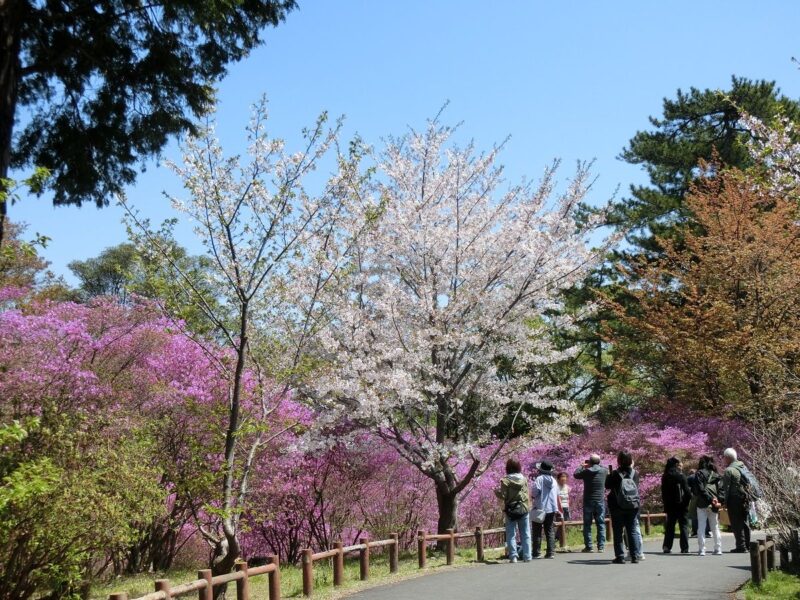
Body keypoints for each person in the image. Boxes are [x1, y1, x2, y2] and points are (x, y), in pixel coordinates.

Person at [606, 450, 642, 564]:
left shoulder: (615, 473)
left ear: (619, 461)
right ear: (631, 460)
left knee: (618, 531)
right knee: (631, 530)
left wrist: (609, 474)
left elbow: (607, 486)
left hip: (617, 506)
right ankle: (635, 555)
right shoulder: (635, 473)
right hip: (632, 506)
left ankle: (620, 556)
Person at [494, 457, 532, 562]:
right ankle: (527, 556)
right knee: (526, 533)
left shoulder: (505, 480)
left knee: (511, 534)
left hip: (511, 509)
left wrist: (496, 492)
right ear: (519, 467)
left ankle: (513, 556)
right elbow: (527, 494)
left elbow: (503, 496)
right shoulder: (524, 479)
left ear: (508, 468)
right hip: (523, 508)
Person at [574, 454, 608, 553]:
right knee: (601, 523)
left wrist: (582, 466)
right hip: (600, 501)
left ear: (590, 462)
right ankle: (601, 546)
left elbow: (576, 474)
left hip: (588, 501)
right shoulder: (604, 471)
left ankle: (589, 547)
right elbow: (607, 470)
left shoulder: (586, 471)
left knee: (587, 524)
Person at [721, 448, 751, 553]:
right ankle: (748, 544)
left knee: (736, 523)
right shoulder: (743, 467)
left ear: (728, 458)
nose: (723, 459)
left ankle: (741, 546)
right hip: (745, 498)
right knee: (744, 521)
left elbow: (726, 488)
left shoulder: (729, 470)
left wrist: (725, 502)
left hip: (734, 499)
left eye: (724, 457)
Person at [692, 455, 723, 556]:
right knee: (715, 526)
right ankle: (718, 548)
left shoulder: (699, 474)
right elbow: (721, 490)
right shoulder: (716, 475)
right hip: (714, 503)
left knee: (701, 526)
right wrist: (717, 501)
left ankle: (702, 549)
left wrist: (709, 499)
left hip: (702, 503)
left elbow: (700, 490)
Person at [661, 456, 691, 554]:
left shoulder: (665, 477)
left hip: (670, 506)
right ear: (676, 465)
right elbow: (687, 492)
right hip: (681, 505)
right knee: (684, 526)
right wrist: (686, 503)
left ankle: (667, 546)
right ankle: (684, 547)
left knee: (670, 526)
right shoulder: (680, 476)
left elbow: (663, 493)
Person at [531, 460, 559, 559]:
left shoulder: (539, 479)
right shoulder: (554, 480)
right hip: (551, 508)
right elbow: (557, 494)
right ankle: (551, 552)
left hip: (540, 508)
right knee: (550, 530)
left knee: (537, 530)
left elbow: (534, 493)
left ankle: (536, 552)